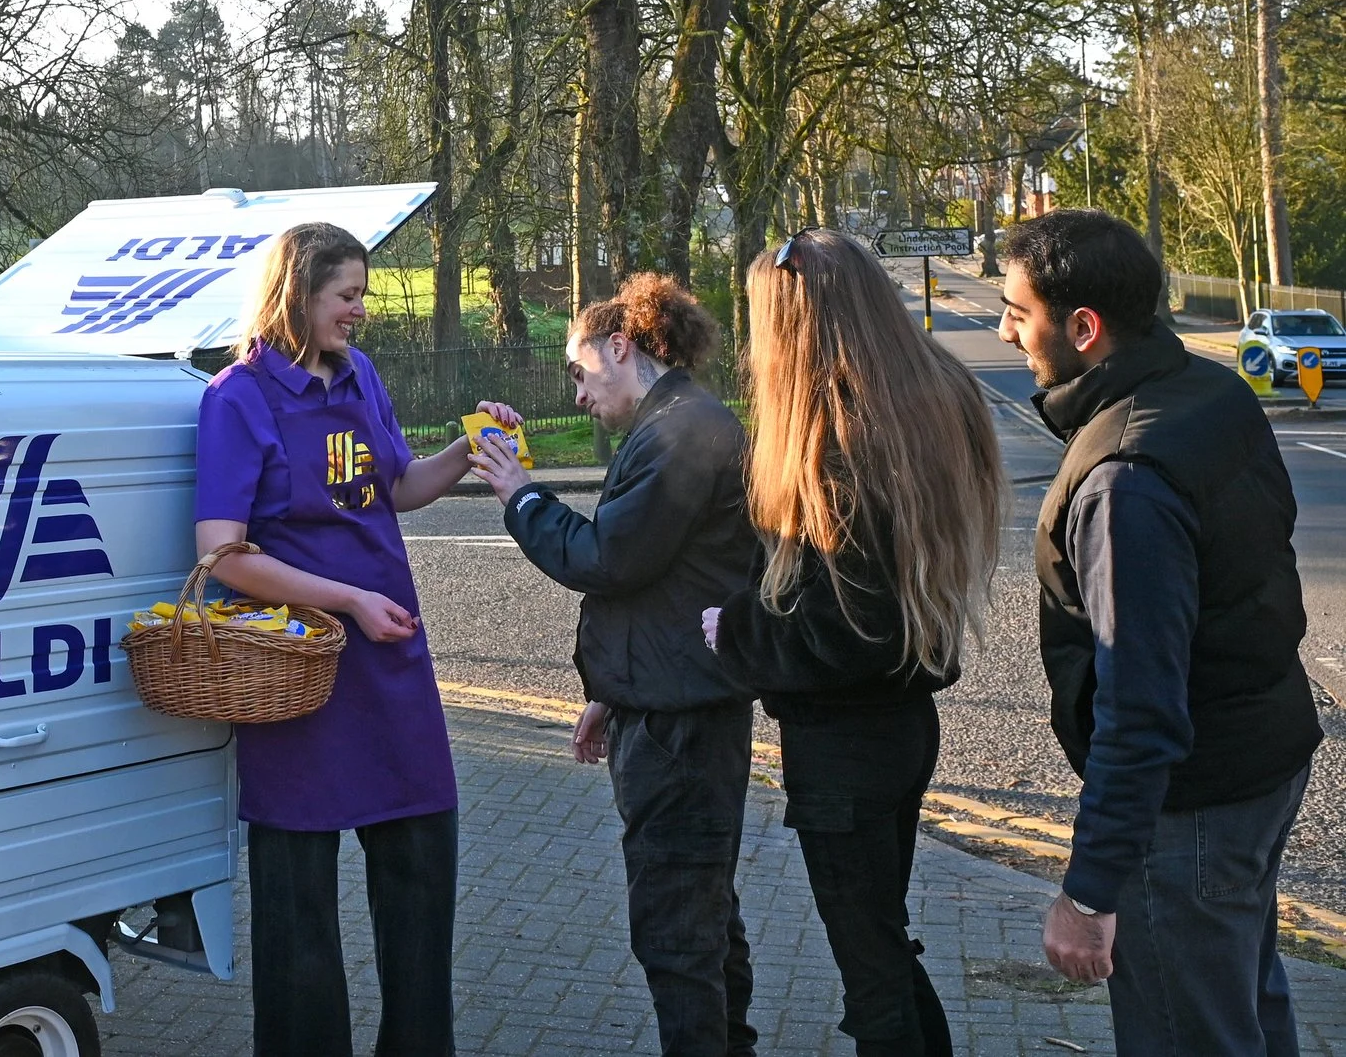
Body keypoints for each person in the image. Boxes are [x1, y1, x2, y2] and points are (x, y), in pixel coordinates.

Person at [997, 209, 1321, 1056]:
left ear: (1083, 328)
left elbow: (1141, 704)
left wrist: (1091, 892)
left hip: (1190, 808)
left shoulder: (1126, 480)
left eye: (1017, 312)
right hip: (1260, 757)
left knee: (1190, 1032)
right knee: (1244, 1004)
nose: (1005, 330)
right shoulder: (1208, 392)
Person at [705, 228, 1005, 1057]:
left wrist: (733, 628)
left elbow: (848, 626)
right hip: (906, 724)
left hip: (843, 745)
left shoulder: (838, 432)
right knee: (883, 939)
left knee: (868, 963)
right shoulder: (928, 391)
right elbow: (883, 610)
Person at [193, 221, 477, 1057]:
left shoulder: (362, 376)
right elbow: (221, 554)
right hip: (297, 675)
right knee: (297, 919)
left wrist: (466, 451)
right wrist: (347, 599)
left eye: (362, 294)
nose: (360, 311)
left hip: (389, 663)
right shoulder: (238, 398)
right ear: (298, 293)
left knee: (422, 881)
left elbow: (397, 486)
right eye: (346, 296)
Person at [469, 272, 761, 1057]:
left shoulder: (679, 433)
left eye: (578, 370)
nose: (578, 394)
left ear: (620, 346)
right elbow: (658, 585)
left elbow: (608, 559)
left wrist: (522, 495)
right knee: (700, 916)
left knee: (677, 933)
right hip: (668, 707)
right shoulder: (677, 424)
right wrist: (612, 691)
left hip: (681, 729)